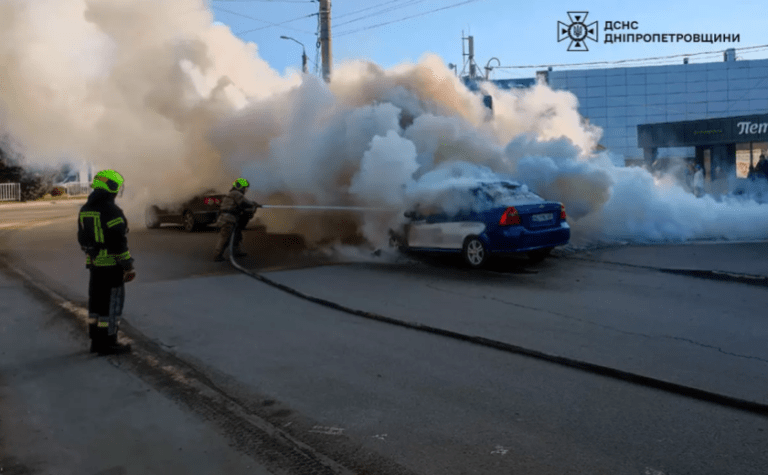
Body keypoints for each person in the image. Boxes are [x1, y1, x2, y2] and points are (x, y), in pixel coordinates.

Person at [78, 169, 135, 355]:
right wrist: (128, 266)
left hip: (95, 267)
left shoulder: (85, 209)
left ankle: (96, 342)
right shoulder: (112, 211)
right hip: (112, 269)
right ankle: (109, 343)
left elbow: (82, 239)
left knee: (96, 305)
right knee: (111, 307)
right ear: (111, 187)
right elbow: (119, 243)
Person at [213, 178, 259, 262]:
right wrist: (253, 204)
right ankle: (217, 255)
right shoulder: (236, 193)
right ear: (240, 186)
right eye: (245, 187)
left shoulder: (232, 194)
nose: (245, 190)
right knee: (225, 237)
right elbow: (244, 203)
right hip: (227, 219)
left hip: (226, 218)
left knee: (237, 234)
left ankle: (236, 251)